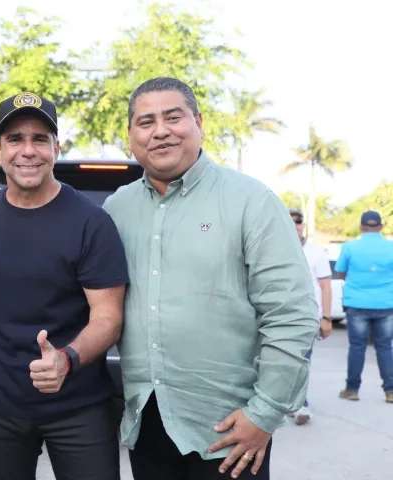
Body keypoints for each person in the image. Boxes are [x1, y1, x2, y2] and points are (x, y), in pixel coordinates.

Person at [102, 77, 318, 480]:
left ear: (198, 122)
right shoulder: (117, 208)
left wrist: (265, 414)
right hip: (146, 423)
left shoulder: (251, 201)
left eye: (173, 117)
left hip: (230, 432)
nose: (160, 130)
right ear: (131, 136)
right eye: (146, 121)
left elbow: (292, 314)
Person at [0, 92, 129, 480]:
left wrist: (66, 358)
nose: (27, 151)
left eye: (39, 139)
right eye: (15, 139)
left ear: (56, 147)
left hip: (77, 405)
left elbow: (108, 318)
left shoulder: (91, 222)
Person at [333, 210, 393, 404]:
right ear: (381, 227)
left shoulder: (350, 247)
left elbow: (340, 272)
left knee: (357, 347)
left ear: (361, 227)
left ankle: (352, 389)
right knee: (385, 347)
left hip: (357, 303)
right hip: (386, 304)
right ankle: (390, 391)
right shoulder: (391, 248)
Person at [288, 208, 334, 425]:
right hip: (272, 317)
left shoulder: (316, 252)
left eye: (298, 221)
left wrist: (326, 317)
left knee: (301, 362)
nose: (295, 225)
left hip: (306, 318)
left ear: (303, 225)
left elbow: (325, 286)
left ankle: (301, 405)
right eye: (290, 221)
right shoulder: (272, 246)